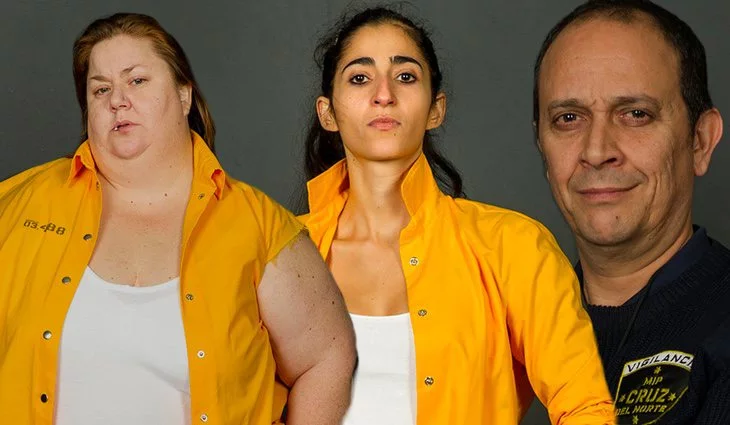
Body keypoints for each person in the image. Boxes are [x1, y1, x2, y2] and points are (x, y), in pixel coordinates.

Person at [0, 13, 356, 425]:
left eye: (137, 80)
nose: (117, 100)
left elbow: (327, 355)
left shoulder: (259, 227)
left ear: (184, 95)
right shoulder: (19, 206)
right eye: (100, 89)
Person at [299, 6, 615, 425]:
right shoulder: (276, 256)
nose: (384, 94)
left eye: (405, 76)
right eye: (360, 78)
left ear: (436, 108)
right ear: (328, 113)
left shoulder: (513, 246)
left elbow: (585, 408)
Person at [533, 1, 729, 424]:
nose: (596, 151)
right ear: (542, 147)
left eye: (636, 114)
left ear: (700, 141)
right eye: (569, 118)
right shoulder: (503, 329)